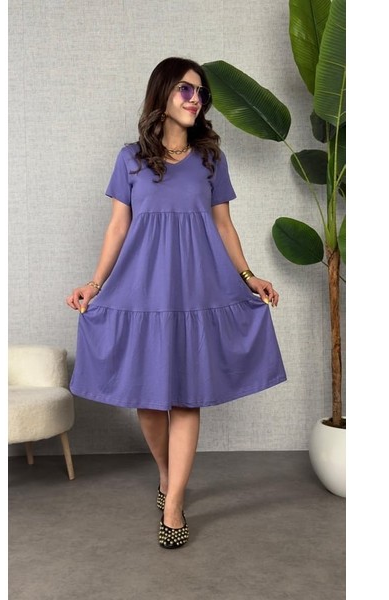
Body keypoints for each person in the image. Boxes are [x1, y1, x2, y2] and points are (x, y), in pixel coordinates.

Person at [66, 56, 286, 549]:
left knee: (186, 396)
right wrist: (95, 284)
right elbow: (118, 227)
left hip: (198, 289)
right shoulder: (130, 159)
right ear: (163, 93)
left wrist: (248, 276)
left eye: (201, 92)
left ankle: (174, 503)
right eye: (186, 89)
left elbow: (224, 226)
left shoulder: (211, 159)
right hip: (142, 289)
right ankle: (167, 474)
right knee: (149, 400)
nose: (195, 99)